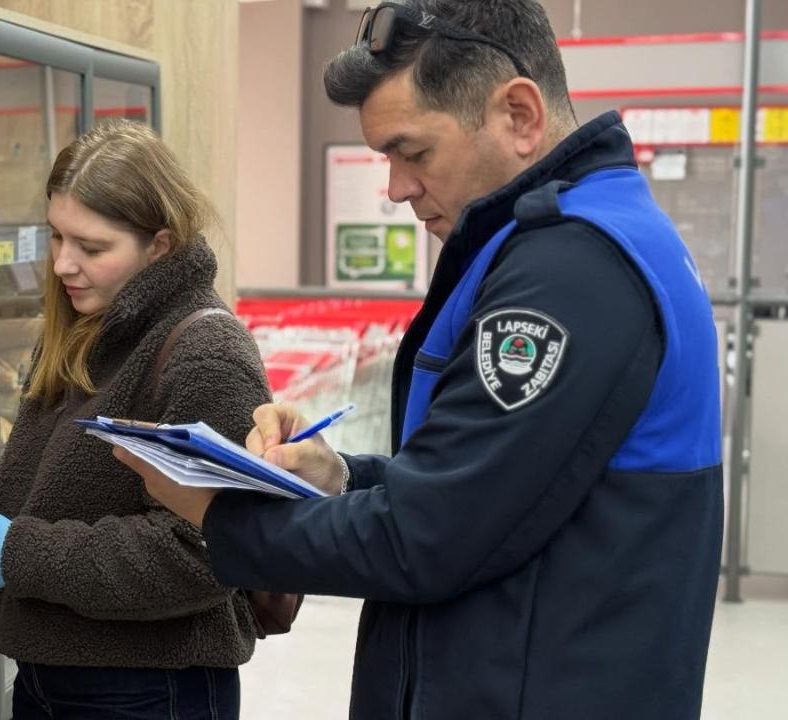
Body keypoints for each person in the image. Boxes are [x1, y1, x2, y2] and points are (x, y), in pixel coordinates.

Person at [116, 1, 723, 719]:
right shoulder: (571, 239)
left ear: (520, 115)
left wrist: (217, 515)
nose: (397, 187)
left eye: (414, 153)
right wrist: (340, 477)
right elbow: (488, 487)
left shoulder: (570, 274)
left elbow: (426, 538)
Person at [0, 119, 269, 719]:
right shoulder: (87, 330)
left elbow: (202, 553)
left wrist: (17, 554)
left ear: (159, 245)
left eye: (92, 248)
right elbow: (43, 479)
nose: (62, 264)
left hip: (151, 689)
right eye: (56, 237)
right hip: (47, 674)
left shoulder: (207, 354)